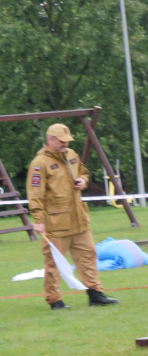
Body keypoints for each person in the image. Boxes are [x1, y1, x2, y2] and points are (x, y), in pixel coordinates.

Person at [26, 123, 119, 310]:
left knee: (88, 256)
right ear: (50, 139)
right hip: (56, 224)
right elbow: (35, 194)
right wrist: (38, 221)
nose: (65, 144)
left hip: (79, 219)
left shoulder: (72, 155)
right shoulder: (39, 164)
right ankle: (54, 299)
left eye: (67, 141)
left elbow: (84, 172)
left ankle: (95, 293)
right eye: (61, 141)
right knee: (53, 263)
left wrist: (82, 180)